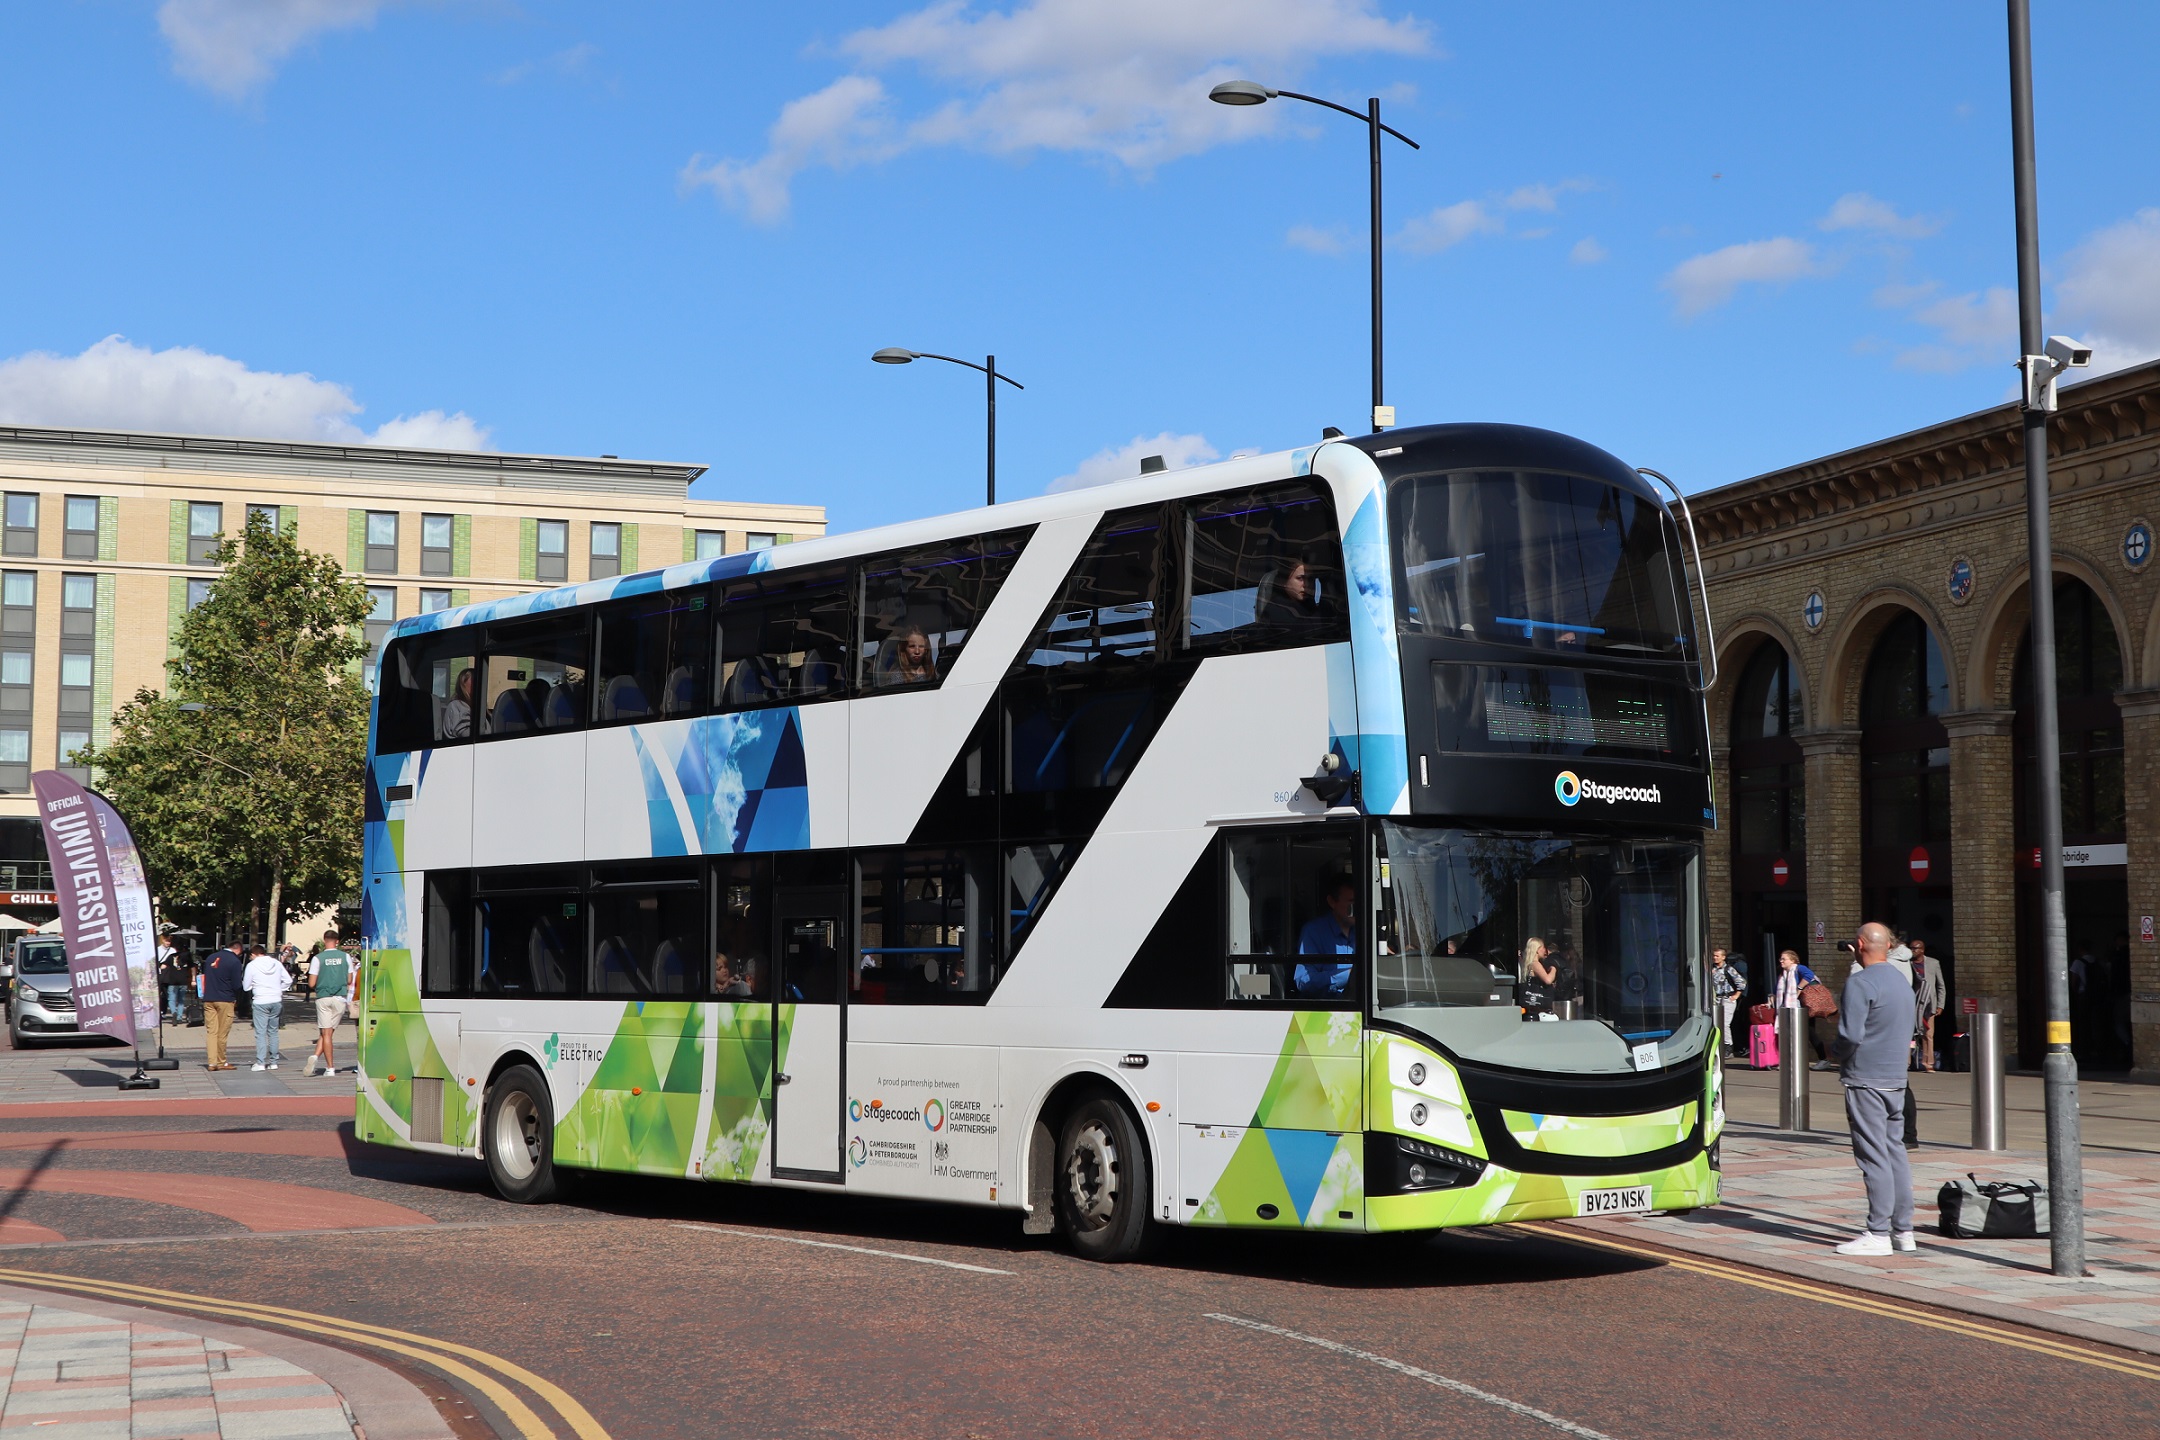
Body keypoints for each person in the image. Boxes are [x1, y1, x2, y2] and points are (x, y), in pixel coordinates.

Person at [1829, 921, 1918, 1255]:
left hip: (1865, 1077)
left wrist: (1835, 1054)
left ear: (1860, 943)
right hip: (1896, 1079)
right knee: (1895, 1152)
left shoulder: (1860, 982)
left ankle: (1878, 1233)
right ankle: (1903, 1231)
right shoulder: (1901, 980)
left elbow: (1851, 1034)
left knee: (1872, 1155)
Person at [1294, 878, 1358, 997]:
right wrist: (1348, 976)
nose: (1357, 909)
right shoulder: (1314, 932)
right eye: (1351, 903)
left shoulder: (1365, 931)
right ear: (1332, 902)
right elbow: (1303, 980)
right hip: (1329, 1009)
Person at [304, 931, 354, 1077]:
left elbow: (312, 983)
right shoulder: (346, 957)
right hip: (340, 998)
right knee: (329, 1033)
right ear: (337, 941)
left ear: (324, 941)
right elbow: (350, 979)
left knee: (326, 1033)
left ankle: (329, 1067)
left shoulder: (318, 958)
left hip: (323, 997)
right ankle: (316, 1056)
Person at [242, 943, 291, 1071]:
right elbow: (288, 980)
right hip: (276, 999)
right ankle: (274, 1061)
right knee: (273, 1031)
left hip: (260, 1000)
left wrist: (254, 987)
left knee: (260, 1033)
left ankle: (260, 1062)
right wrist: (279, 989)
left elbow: (246, 986)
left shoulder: (251, 965)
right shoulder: (276, 963)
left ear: (253, 954)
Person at [200, 942, 244, 1071]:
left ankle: (211, 1063)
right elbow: (237, 984)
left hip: (209, 998)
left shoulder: (210, 958)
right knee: (222, 1033)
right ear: (238, 950)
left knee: (211, 1032)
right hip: (225, 999)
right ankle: (221, 1061)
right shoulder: (235, 962)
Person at [1911, 939, 1946, 1071]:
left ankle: (1928, 1063)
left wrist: (1940, 1005)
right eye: (1911, 948)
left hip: (1929, 1004)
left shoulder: (1933, 963)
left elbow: (1940, 985)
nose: (1913, 951)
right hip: (1913, 1003)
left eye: (1915, 948)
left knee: (1928, 1035)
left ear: (1922, 950)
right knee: (1911, 1036)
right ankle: (1909, 1062)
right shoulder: (1908, 964)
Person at [1712, 947, 1747, 1055]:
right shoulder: (1711, 969)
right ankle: (1717, 1044)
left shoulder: (1729, 969)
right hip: (1716, 999)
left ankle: (1728, 1045)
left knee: (1725, 1023)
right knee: (1715, 1022)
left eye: (1717, 956)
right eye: (1714, 955)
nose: (1715, 958)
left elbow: (1741, 982)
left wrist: (1736, 995)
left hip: (1727, 998)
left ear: (1723, 957)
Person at [1519, 936, 1560, 1016]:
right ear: (1537, 950)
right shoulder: (1535, 964)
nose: (1545, 950)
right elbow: (1548, 980)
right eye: (1543, 947)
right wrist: (1554, 968)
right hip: (1537, 1002)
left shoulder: (1528, 963)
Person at [157, 938, 187, 1025]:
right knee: (180, 1000)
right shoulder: (186, 956)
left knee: (170, 998)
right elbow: (192, 967)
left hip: (171, 979)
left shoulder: (171, 954)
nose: (168, 943)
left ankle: (172, 1012)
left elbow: (163, 966)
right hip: (182, 980)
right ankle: (179, 1017)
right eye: (167, 941)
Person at [442, 666, 476, 740]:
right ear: (463, 684)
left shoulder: (477, 707)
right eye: (474, 680)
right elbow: (467, 733)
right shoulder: (456, 706)